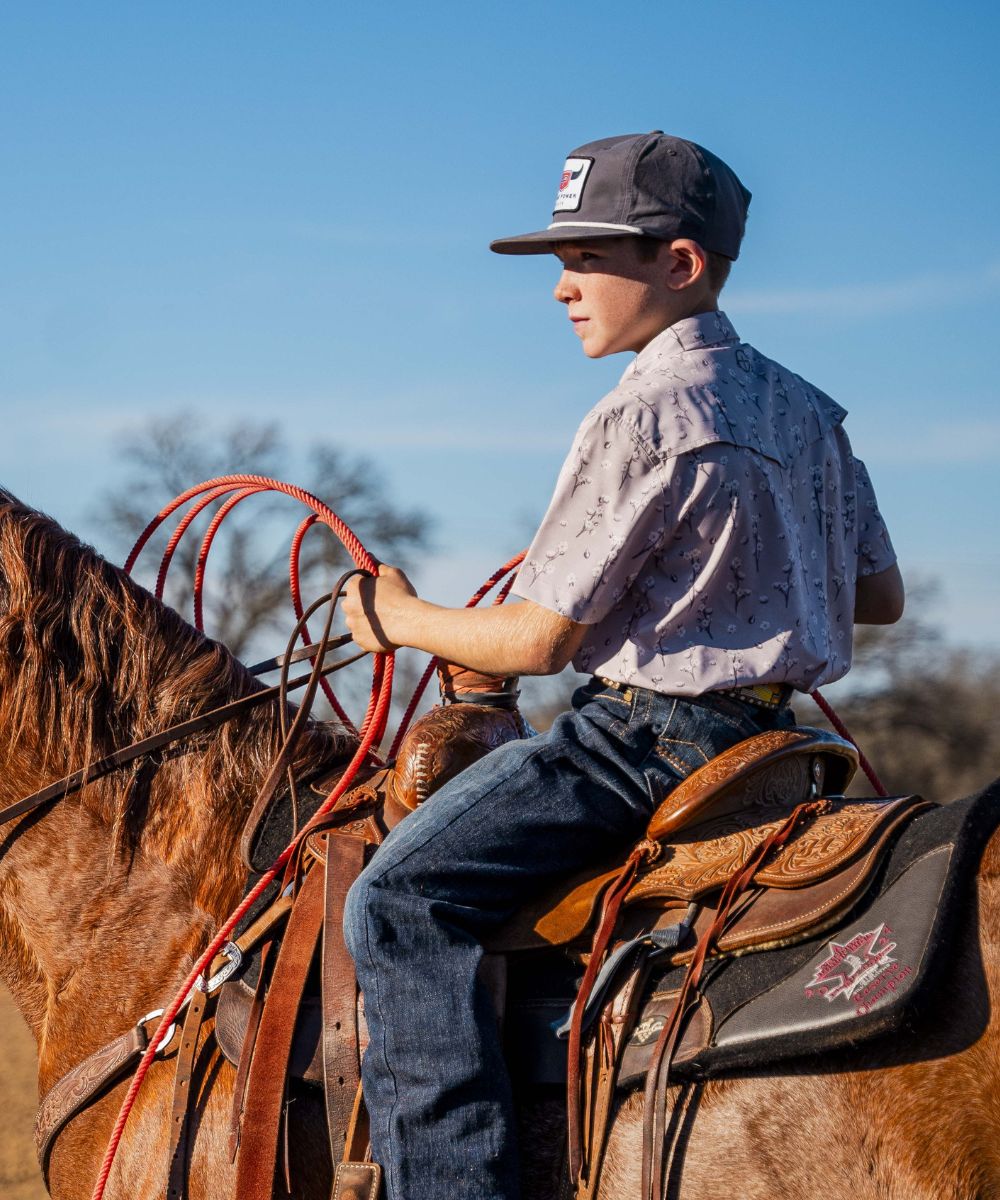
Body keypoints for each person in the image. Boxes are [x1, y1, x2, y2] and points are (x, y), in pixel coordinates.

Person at [341, 130, 904, 1200]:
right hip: (789, 743)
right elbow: (877, 599)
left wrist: (402, 616)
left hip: (645, 742)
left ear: (678, 265)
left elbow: (538, 641)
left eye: (588, 257)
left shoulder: (641, 412)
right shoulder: (810, 413)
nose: (561, 288)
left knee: (399, 901)